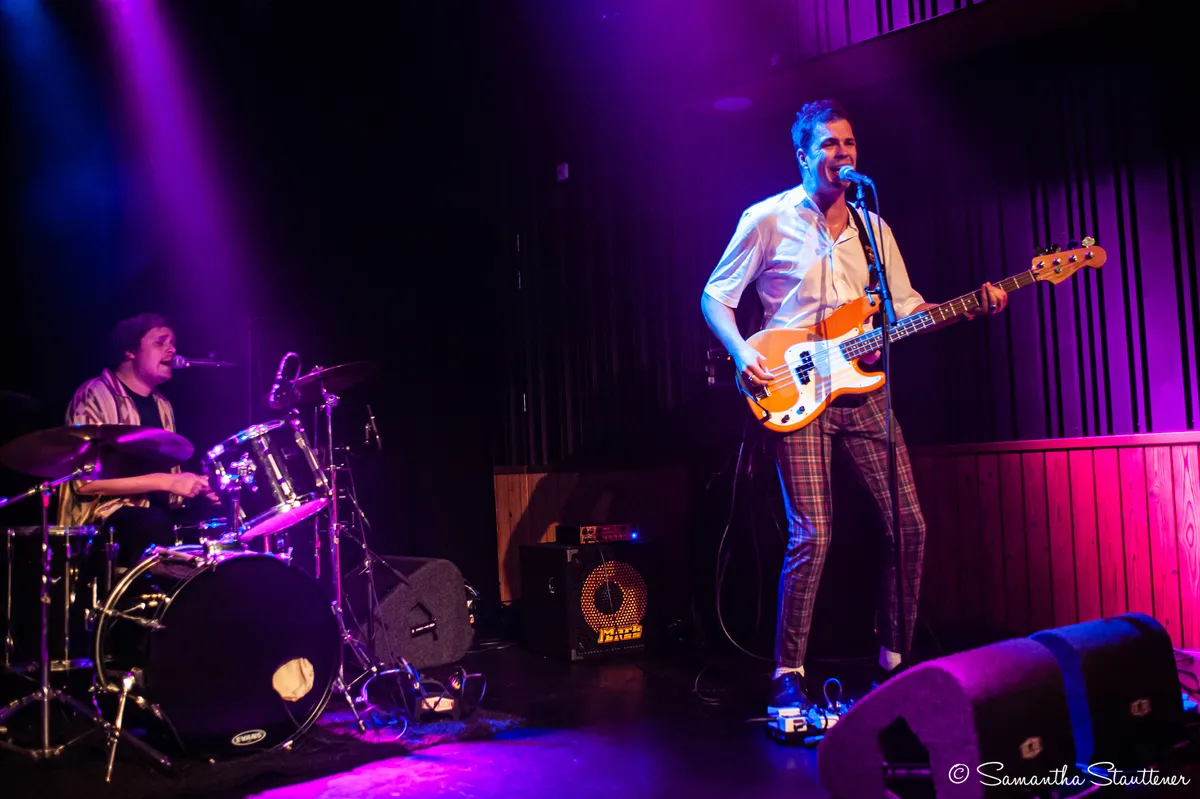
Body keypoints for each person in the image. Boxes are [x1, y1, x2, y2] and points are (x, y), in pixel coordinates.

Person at [700, 99, 1008, 720]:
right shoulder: (767, 219)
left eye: (849, 143)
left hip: (865, 391)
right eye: (829, 145)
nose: (842, 154)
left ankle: (893, 664)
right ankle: (788, 674)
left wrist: (969, 306)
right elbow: (716, 294)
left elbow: (906, 310)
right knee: (813, 534)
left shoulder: (873, 227)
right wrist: (741, 351)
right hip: (796, 389)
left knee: (909, 525)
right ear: (803, 155)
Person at [57, 312, 217, 565]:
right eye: (160, 342)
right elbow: (84, 483)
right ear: (130, 351)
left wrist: (197, 486)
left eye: (172, 343)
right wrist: (165, 481)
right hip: (102, 520)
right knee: (152, 523)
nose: (172, 349)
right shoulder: (95, 394)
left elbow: (170, 483)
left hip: (155, 514)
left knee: (214, 523)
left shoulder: (163, 405)